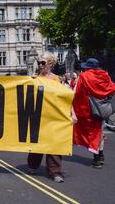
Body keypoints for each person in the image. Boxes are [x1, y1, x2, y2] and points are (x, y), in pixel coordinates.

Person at [27, 52, 66, 183]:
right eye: (38, 62)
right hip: (38, 115)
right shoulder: (34, 79)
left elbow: (66, 99)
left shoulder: (57, 80)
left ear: (51, 63)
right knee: (37, 141)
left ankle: (55, 172)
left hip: (54, 116)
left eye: (42, 62)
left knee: (54, 144)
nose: (40, 65)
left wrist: (72, 114)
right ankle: (33, 165)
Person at [73, 58, 115, 169]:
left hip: (88, 110)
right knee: (99, 132)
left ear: (87, 67)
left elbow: (76, 93)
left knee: (92, 134)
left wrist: (75, 109)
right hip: (102, 108)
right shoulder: (105, 75)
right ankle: (100, 156)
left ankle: (97, 159)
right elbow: (111, 89)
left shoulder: (84, 76)